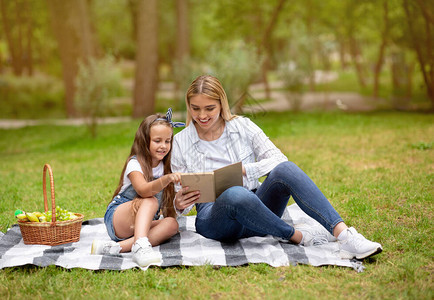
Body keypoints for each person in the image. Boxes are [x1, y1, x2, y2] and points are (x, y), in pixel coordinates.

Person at [171, 75, 383, 260]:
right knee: (235, 194)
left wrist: (246, 170)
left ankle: (345, 236)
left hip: (258, 210)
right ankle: (296, 236)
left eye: (210, 108)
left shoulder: (242, 126)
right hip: (216, 219)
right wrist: (180, 204)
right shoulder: (180, 142)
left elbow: (277, 157)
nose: (202, 116)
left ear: (222, 104)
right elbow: (176, 199)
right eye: (195, 108)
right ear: (188, 106)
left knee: (286, 169)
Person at [91, 109, 184, 267]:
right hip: (119, 219)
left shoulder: (167, 167)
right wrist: (165, 179)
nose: (163, 146)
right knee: (150, 201)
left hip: (141, 226)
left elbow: (168, 207)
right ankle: (140, 246)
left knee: (171, 224)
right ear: (144, 140)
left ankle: (117, 248)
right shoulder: (135, 164)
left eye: (167, 141)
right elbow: (143, 190)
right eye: (157, 141)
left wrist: (179, 203)